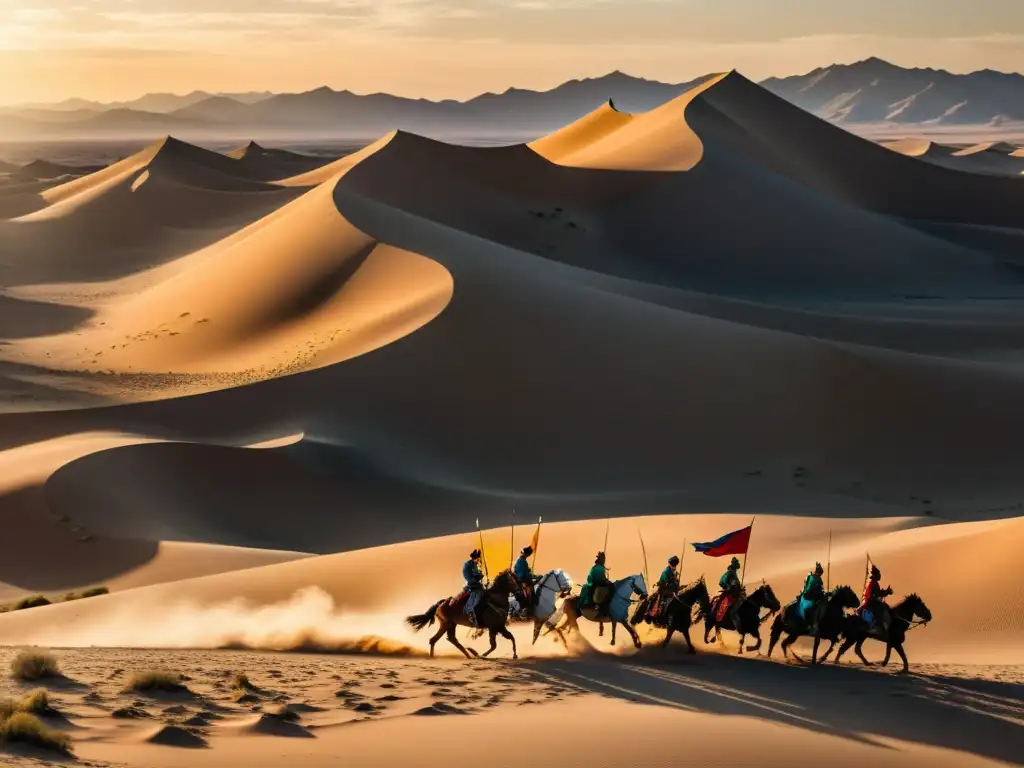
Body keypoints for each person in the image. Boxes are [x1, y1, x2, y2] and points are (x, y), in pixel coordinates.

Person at [858, 564, 893, 634]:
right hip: (871, 602)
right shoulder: (873, 583)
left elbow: (878, 593)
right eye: (879, 574)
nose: (880, 575)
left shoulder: (875, 583)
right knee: (880, 610)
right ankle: (878, 627)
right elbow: (877, 593)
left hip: (873, 601)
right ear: (876, 575)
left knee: (885, 607)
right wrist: (886, 592)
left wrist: (885, 592)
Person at [581, 552, 614, 618]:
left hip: (597, 583)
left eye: (604, 559)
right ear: (601, 559)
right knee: (612, 588)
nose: (604, 560)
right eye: (603, 559)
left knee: (611, 586)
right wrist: (605, 581)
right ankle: (605, 608)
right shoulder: (598, 568)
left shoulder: (598, 567)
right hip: (598, 583)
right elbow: (597, 578)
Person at [650, 555, 680, 626]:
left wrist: (676, 582)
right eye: (673, 565)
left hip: (673, 590)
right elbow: (664, 583)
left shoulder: (675, 572)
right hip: (664, 590)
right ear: (670, 564)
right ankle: (658, 617)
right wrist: (673, 581)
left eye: (675, 565)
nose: (674, 567)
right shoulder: (665, 572)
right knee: (661, 604)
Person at [796, 562, 825, 635]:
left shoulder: (816, 577)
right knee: (811, 608)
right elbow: (808, 589)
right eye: (820, 574)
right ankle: (810, 625)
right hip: (809, 596)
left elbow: (820, 586)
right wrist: (818, 591)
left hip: (815, 595)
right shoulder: (812, 578)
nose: (820, 575)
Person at [718, 556, 744, 630]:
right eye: (736, 565)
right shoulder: (729, 573)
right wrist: (729, 586)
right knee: (732, 612)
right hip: (730, 595)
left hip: (737, 595)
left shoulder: (735, 574)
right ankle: (737, 628)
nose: (737, 567)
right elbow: (721, 582)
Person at [463, 549, 487, 627]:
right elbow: (469, 576)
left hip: (476, 583)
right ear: (475, 558)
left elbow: (478, 573)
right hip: (471, 584)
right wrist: (478, 577)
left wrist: (481, 575)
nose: (479, 559)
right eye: (478, 558)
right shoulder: (468, 565)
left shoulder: (474, 564)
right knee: (479, 592)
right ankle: (471, 610)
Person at [513, 546, 537, 615]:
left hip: (521, 579)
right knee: (529, 593)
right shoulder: (522, 561)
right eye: (528, 554)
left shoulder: (520, 560)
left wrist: (529, 572)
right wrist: (531, 575)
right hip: (522, 580)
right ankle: (527, 608)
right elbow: (523, 573)